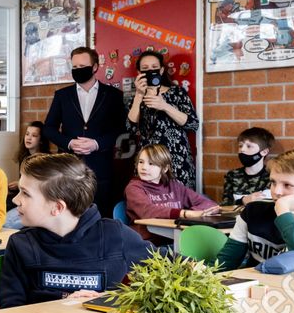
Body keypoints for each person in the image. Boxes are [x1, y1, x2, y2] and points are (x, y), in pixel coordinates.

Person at [0, 154, 152, 313]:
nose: (16, 200)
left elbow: (170, 272)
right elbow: (9, 309)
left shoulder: (115, 236)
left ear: (57, 207)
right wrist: (60, 308)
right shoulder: (21, 244)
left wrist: (114, 300)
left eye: (26, 194)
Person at [214, 149, 294, 269]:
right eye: (273, 182)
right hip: (257, 286)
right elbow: (226, 262)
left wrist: (283, 212)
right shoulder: (252, 211)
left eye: (287, 185)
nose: (276, 191)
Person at [42, 45, 127, 208]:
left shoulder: (112, 95)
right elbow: (49, 128)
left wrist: (96, 144)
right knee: (69, 213)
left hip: (101, 169)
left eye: (82, 66)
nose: (78, 70)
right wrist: (69, 143)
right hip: (68, 168)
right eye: (74, 67)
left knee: (100, 214)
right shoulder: (62, 95)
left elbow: (120, 129)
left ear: (95, 67)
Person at [126, 49, 201, 188]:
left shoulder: (177, 92)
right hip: (148, 161)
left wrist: (165, 106)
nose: (150, 71)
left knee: (181, 204)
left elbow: (193, 124)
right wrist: (138, 95)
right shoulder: (135, 97)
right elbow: (130, 128)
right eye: (145, 69)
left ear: (161, 70)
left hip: (177, 159)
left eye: (154, 68)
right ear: (139, 73)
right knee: (150, 204)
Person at [124, 143, 219, 239]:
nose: (144, 167)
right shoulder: (134, 188)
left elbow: (209, 204)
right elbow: (148, 211)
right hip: (149, 242)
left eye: (151, 163)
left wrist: (193, 213)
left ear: (165, 168)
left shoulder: (174, 186)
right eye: (141, 162)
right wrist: (183, 214)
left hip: (176, 237)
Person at [223, 127, 275, 203]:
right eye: (240, 146)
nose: (242, 150)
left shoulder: (272, 175)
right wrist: (243, 201)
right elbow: (225, 205)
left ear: (264, 152)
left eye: (249, 146)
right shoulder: (232, 175)